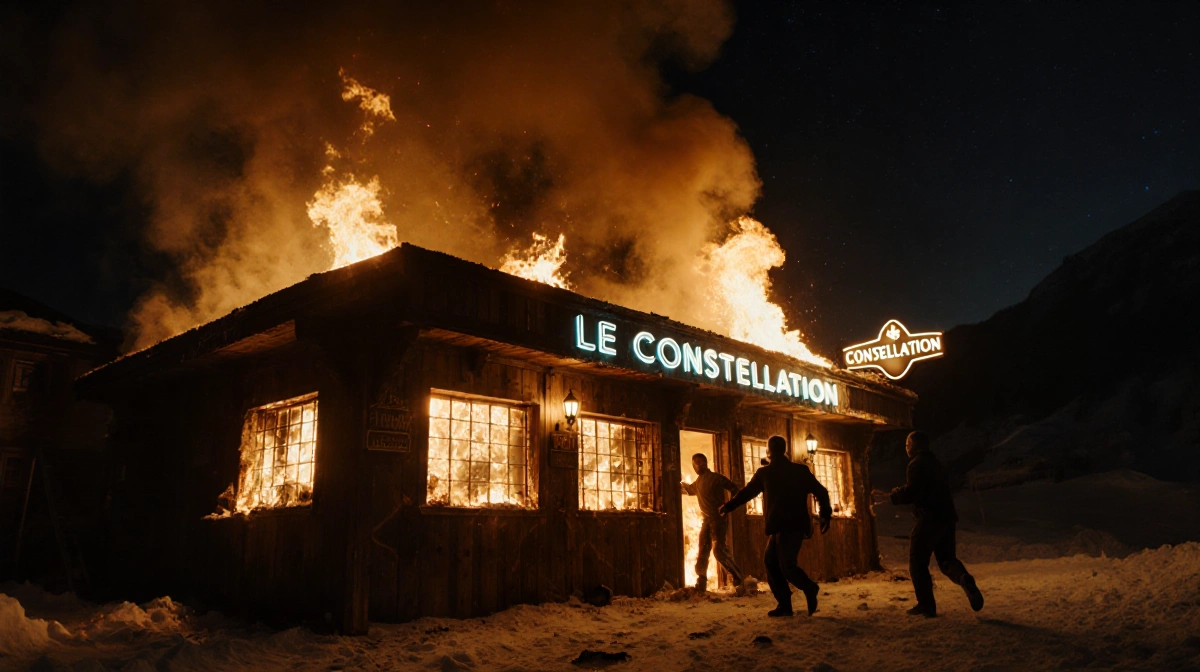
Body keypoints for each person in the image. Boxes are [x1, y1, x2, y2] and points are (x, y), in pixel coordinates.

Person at [719, 435, 830, 617]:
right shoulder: (799, 471)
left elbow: (746, 493)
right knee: (772, 562)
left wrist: (729, 506)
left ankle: (809, 588)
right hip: (791, 525)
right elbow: (822, 492)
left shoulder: (766, 473)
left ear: (769, 452)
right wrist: (826, 514)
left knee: (785, 565)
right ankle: (785, 605)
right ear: (784, 450)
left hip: (785, 526)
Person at [890, 430, 985, 617]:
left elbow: (914, 491)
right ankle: (963, 578)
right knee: (947, 559)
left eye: (908, 445)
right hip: (947, 518)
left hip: (929, 518)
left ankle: (926, 605)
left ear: (917, 445)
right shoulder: (936, 463)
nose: (906, 448)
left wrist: (896, 495)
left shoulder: (916, 464)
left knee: (917, 561)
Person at [681, 453, 745, 594]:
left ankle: (738, 579)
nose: (698, 465)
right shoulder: (698, 482)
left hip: (718, 520)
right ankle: (701, 583)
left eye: (700, 462)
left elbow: (734, 488)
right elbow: (688, 490)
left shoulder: (716, 478)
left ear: (705, 462)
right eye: (695, 463)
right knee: (703, 550)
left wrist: (728, 506)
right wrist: (679, 484)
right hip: (706, 520)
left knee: (719, 551)